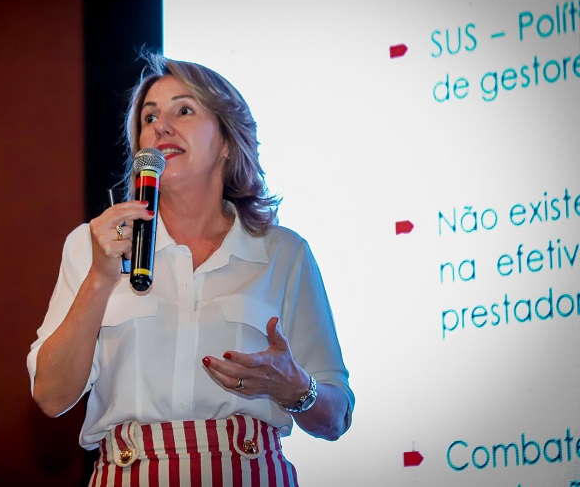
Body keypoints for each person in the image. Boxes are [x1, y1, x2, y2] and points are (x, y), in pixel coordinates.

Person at [27, 51, 355, 486]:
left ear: (227, 141)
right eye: (149, 117)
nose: (160, 126)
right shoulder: (93, 246)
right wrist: (101, 277)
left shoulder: (283, 252)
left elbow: (336, 418)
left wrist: (294, 387)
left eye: (183, 110)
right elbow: (51, 397)